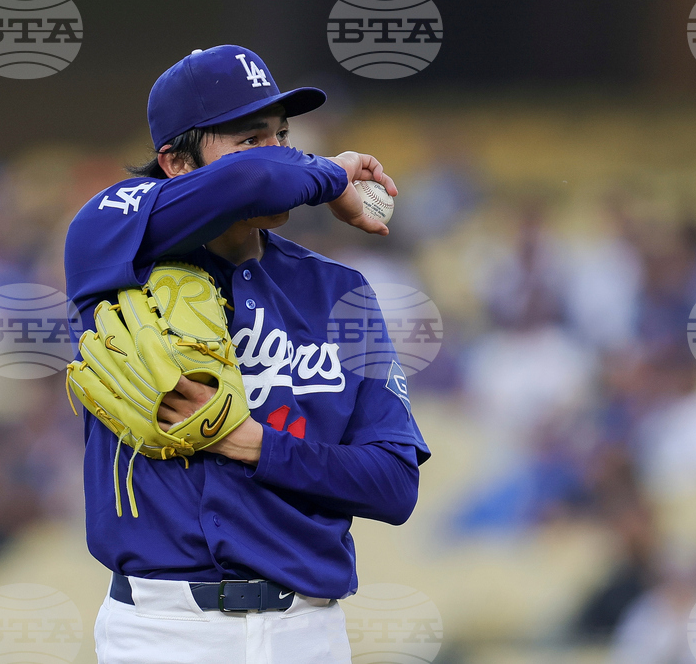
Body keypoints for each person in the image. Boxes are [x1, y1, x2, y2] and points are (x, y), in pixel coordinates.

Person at [64, 45, 430, 664]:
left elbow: (394, 487)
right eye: (250, 135)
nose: (279, 151)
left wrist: (256, 445)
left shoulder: (339, 291)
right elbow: (253, 181)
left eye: (283, 134)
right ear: (175, 161)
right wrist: (331, 173)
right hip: (161, 630)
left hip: (308, 631)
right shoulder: (113, 242)